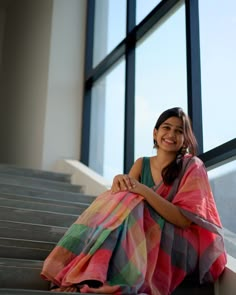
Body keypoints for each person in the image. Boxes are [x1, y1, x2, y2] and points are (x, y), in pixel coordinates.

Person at [41, 107, 227, 295]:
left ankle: (91, 275)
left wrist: (143, 190)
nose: (171, 134)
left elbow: (183, 220)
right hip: (141, 235)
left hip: (177, 240)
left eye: (179, 131)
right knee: (123, 199)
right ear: (155, 133)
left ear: (185, 139)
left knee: (132, 199)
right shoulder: (141, 163)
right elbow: (122, 206)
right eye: (166, 128)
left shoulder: (192, 165)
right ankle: (89, 271)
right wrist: (118, 182)